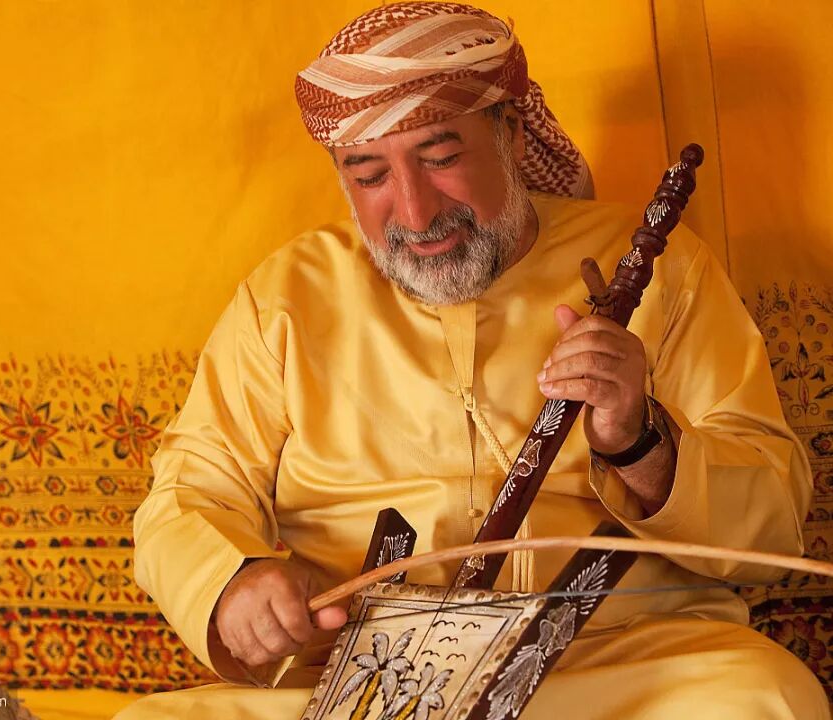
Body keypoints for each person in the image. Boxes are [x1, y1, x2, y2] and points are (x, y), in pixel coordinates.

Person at [119, 3, 829, 718]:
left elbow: (772, 519)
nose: (416, 212)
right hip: (364, 681)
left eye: (441, 159)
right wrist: (234, 581)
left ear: (511, 134)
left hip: (606, 666)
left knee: (762, 696)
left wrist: (639, 441)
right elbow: (189, 494)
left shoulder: (660, 272)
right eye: (370, 175)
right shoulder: (286, 297)